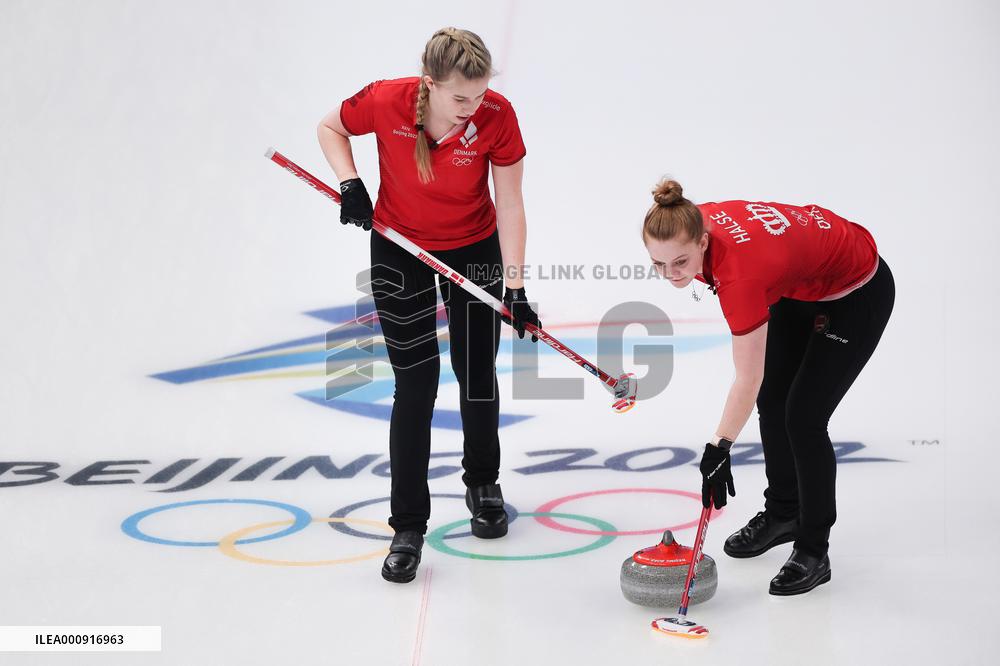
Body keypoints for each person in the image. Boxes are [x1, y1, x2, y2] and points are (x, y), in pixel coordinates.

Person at [317, 27, 540, 584]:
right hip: (399, 249)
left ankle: (483, 482)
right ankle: (408, 525)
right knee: (416, 382)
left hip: (475, 248)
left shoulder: (496, 115)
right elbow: (330, 126)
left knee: (477, 373)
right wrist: (350, 183)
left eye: (481, 95)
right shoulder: (388, 100)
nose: (472, 108)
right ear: (431, 85)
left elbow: (510, 202)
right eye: (460, 98)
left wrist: (514, 287)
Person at [642, 179, 894, 596]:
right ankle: (783, 512)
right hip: (799, 282)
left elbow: (747, 374)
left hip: (857, 290)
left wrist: (719, 447)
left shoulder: (739, 275)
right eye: (658, 265)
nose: (671, 275)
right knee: (773, 399)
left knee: (804, 418)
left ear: (703, 241)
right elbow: (759, 385)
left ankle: (814, 549)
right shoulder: (680, 216)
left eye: (681, 263)